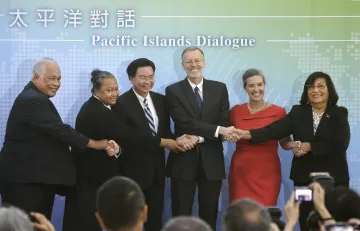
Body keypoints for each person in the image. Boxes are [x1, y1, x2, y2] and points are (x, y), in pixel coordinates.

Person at [63, 69, 186, 231]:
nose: (115, 94)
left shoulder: (100, 107)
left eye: (115, 89)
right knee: (87, 223)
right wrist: (164, 142)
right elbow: (129, 136)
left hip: (93, 180)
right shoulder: (96, 111)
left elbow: (117, 139)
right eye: (109, 90)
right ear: (96, 91)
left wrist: (115, 147)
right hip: (89, 181)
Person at [235, 71, 351, 231]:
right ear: (306, 91)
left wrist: (308, 146)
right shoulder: (298, 112)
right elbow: (274, 130)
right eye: (311, 87)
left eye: (320, 86)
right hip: (303, 180)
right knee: (305, 220)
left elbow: (340, 144)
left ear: (329, 89)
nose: (315, 90)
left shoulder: (339, 113)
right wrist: (247, 134)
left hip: (334, 179)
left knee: (335, 222)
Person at [0, 58, 111, 220]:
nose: (57, 83)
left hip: (35, 179)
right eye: (52, 78)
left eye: (59, 79)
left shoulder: (35, 97)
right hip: (24, 182)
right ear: (36, 77)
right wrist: (94, 144)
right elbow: (60, 130)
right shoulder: (32, 100)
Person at [113, 58, 197, 231]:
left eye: (151, 77)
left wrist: (180, 140)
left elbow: (165, 132)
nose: (148, 81)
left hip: (157, 173)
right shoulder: (120, 103)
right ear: (131, 79)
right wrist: (165, 142)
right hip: (131, 172)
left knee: (154, 220)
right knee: (130, 221)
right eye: (143, 77)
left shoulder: (161, 100)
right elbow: (128, 138)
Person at [165, 46, 238, 230]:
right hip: (183, 160)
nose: (193, 64)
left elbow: (224, 122)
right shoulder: (173, 90)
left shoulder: (219, 88)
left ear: (204, 63)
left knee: (210, 213)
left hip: (211, 161)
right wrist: (220, 129)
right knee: (181, 215)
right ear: (182, 66)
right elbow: (184, 122)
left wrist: (198, 138)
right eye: (189, 61)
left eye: (197, 60)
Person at [228, 68, 299, 206]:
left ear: (264, 85)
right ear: (245, 88)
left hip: (267, 171)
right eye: (251, 85)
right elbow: (225, 134)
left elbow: (284, 142)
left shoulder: (279, 112)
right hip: (241, 171)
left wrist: (295, 145)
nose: (256, 89)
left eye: (259, 84)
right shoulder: (235, 111)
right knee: (240, 214)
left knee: (265, 215)